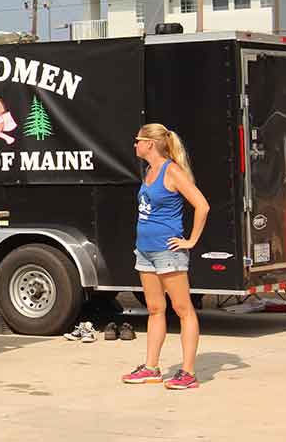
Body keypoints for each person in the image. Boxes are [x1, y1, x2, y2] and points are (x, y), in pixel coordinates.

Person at [122, 123, 210, 390]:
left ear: (150, 143)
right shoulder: (150, 171)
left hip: (167, 251)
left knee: (183, 310)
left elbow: (202, 205)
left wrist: (190, 241)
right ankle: (151, 368)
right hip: (145, 250)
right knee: (155, 308)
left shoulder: (172, 171)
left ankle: (188, 372)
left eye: (138, 140)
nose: (135, 144)